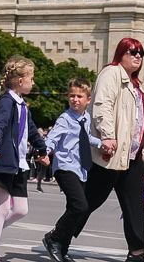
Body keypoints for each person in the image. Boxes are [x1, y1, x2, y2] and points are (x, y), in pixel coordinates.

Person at [64, 38, 144, 262]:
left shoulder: (136, 84)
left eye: (141, 53)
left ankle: (137, 252)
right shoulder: (111, 73)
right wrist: (107, 135)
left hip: (132, 155)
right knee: (90, 200)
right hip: (113, 152)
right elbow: (101, 106)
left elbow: (138, 119)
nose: (138, 56)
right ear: (120, 53)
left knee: (135, 203)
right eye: (132, 51)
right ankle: (58, 238)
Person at [0, 56, 48, 262]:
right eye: (31, 77)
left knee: (21, 210)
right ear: (20, 81)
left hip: (19, 164)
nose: (34, 82)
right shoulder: (7, 102)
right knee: (2, 208)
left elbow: (31, 130)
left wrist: (42, 149)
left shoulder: (22, 104)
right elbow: (0, 125)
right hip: (4, 161)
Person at [41, 78, 101, 262]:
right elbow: (52, 138)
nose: (75, 99)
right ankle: (54, 238)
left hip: (80, 168)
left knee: (77, 208)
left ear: (88, 99)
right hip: (65, 167)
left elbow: (87, 137)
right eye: (72, 96)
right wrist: (45, 152)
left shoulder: (86, 118)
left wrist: (101, 144)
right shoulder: (65, 119)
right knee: (79, 205)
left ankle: (62, 248)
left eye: (79, 96)